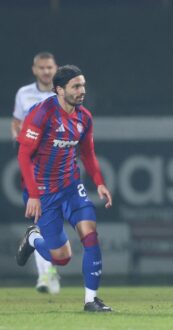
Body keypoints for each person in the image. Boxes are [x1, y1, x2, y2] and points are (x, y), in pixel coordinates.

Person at [15, 65, 113, 312]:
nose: (82, 91)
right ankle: (33, 238)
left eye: (83, 85)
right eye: (76, 86)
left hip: (71, 187)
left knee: (90, 235)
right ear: (59, 89)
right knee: (62, 257)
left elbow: (87, 153)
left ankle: (91, 300)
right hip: (43, 192)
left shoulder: (84, 117)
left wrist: (99, 182)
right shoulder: (41, 114)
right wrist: (34, 195)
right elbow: (24, 155)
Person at [11, 51, 60, 294]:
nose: (46, 72)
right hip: (35, 166)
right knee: (41, 220)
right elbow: (16, 122)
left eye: (49, 67)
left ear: (55, 68)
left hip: (58, 164)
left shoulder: (61, 93)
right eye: (41, 68)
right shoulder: (24, 94)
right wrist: (18, 140)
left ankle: (49, 271)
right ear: (34, 70)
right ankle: (46, 274)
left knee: (48, 222)